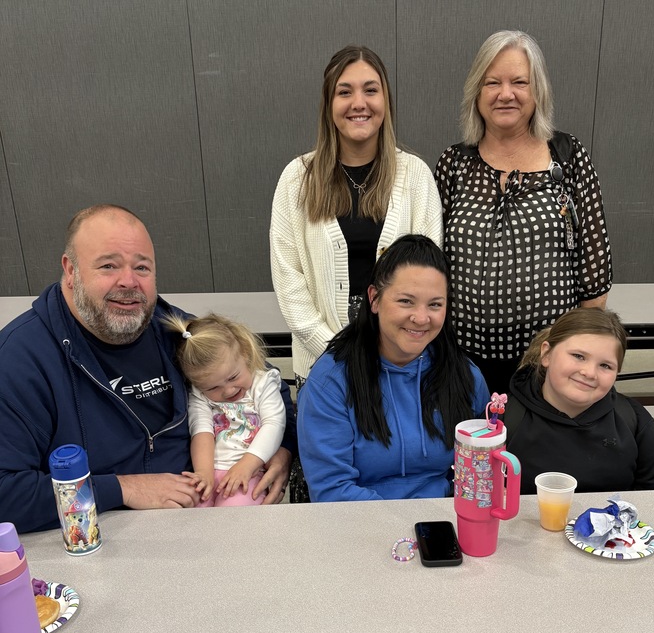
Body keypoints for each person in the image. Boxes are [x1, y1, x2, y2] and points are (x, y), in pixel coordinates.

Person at [0, 204, 295, 533]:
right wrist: (123, 488)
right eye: (108, 266)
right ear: (71, 270)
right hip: (97, 535)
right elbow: (7, 494)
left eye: (142, 268)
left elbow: (264, 380)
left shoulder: (171, 330)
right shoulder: (19, 360)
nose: (128, 281)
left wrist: (282, 450)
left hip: (201, 518)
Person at [435, 30, 613, 396]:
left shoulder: (568, 156)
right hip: (463, 364)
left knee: (538, 453)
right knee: (473, 452)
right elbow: (431, 262)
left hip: (548, 365)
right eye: (493, 82)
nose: (506, 94)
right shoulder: (453, 164)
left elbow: (595, 272)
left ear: (537, 92)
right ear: (477, 92)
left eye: (519, 82)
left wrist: (576, 355)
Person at [270, 44, 443, 386]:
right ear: (329, 104)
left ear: (385, 102)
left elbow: (428, 275)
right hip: (321, 368)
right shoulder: (297, 178)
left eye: (371, 90)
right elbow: (289, 281)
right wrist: (338, 353)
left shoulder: (415, 175)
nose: (359, 103)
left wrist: (388, 351)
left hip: (399, 367)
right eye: (344, 92)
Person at [298, 235, 490, 501]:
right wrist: (409, 526)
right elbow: (331, 490)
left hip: (443, 524)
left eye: (435, 304)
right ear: (375, 299)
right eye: (406, 301)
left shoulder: (465, 375)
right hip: (358, 525)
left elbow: (478, 472)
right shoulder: (331, 380)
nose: (422, 318)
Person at [507, 307, 654, 494]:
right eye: (578, 356)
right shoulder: (505, 420)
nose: (589, 373)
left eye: (605, 366)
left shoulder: (632, 419)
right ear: (547, 354)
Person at [166, 313, 286, 507]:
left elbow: (274, 424)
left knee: (235, 513)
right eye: (213, 388)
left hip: (250, 470)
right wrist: (204, 474)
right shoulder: (200, 393)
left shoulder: (263, 384)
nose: (228, 390)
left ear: (245, 353)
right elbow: (201, 431)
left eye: (233, 377)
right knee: (193, 510)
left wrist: (247, 465)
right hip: (210, 469)